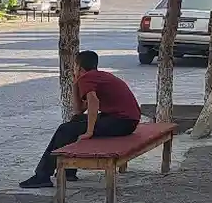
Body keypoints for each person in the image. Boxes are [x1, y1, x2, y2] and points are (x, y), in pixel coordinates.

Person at [20, 50, 140, 189]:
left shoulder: (87, 78)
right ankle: (68, 171)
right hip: (126, 120)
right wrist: (74, 85)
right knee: (76, 121)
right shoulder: (97, 76)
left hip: (122, 122)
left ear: (79, 68)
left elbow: (93, 101)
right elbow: (79, 110)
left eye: (75, 67)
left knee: (65, 129)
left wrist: (89, 131)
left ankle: (42, 176)